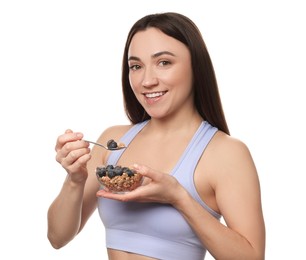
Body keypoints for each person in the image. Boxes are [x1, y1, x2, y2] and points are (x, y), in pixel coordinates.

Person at [47, 12, 265, 260]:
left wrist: (178, 197)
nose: (147, 80)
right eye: (136, 66)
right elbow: (57, 237)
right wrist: (75, 180)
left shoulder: (225, 153)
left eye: (164, 63)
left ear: (196, 66)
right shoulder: (114, 142)